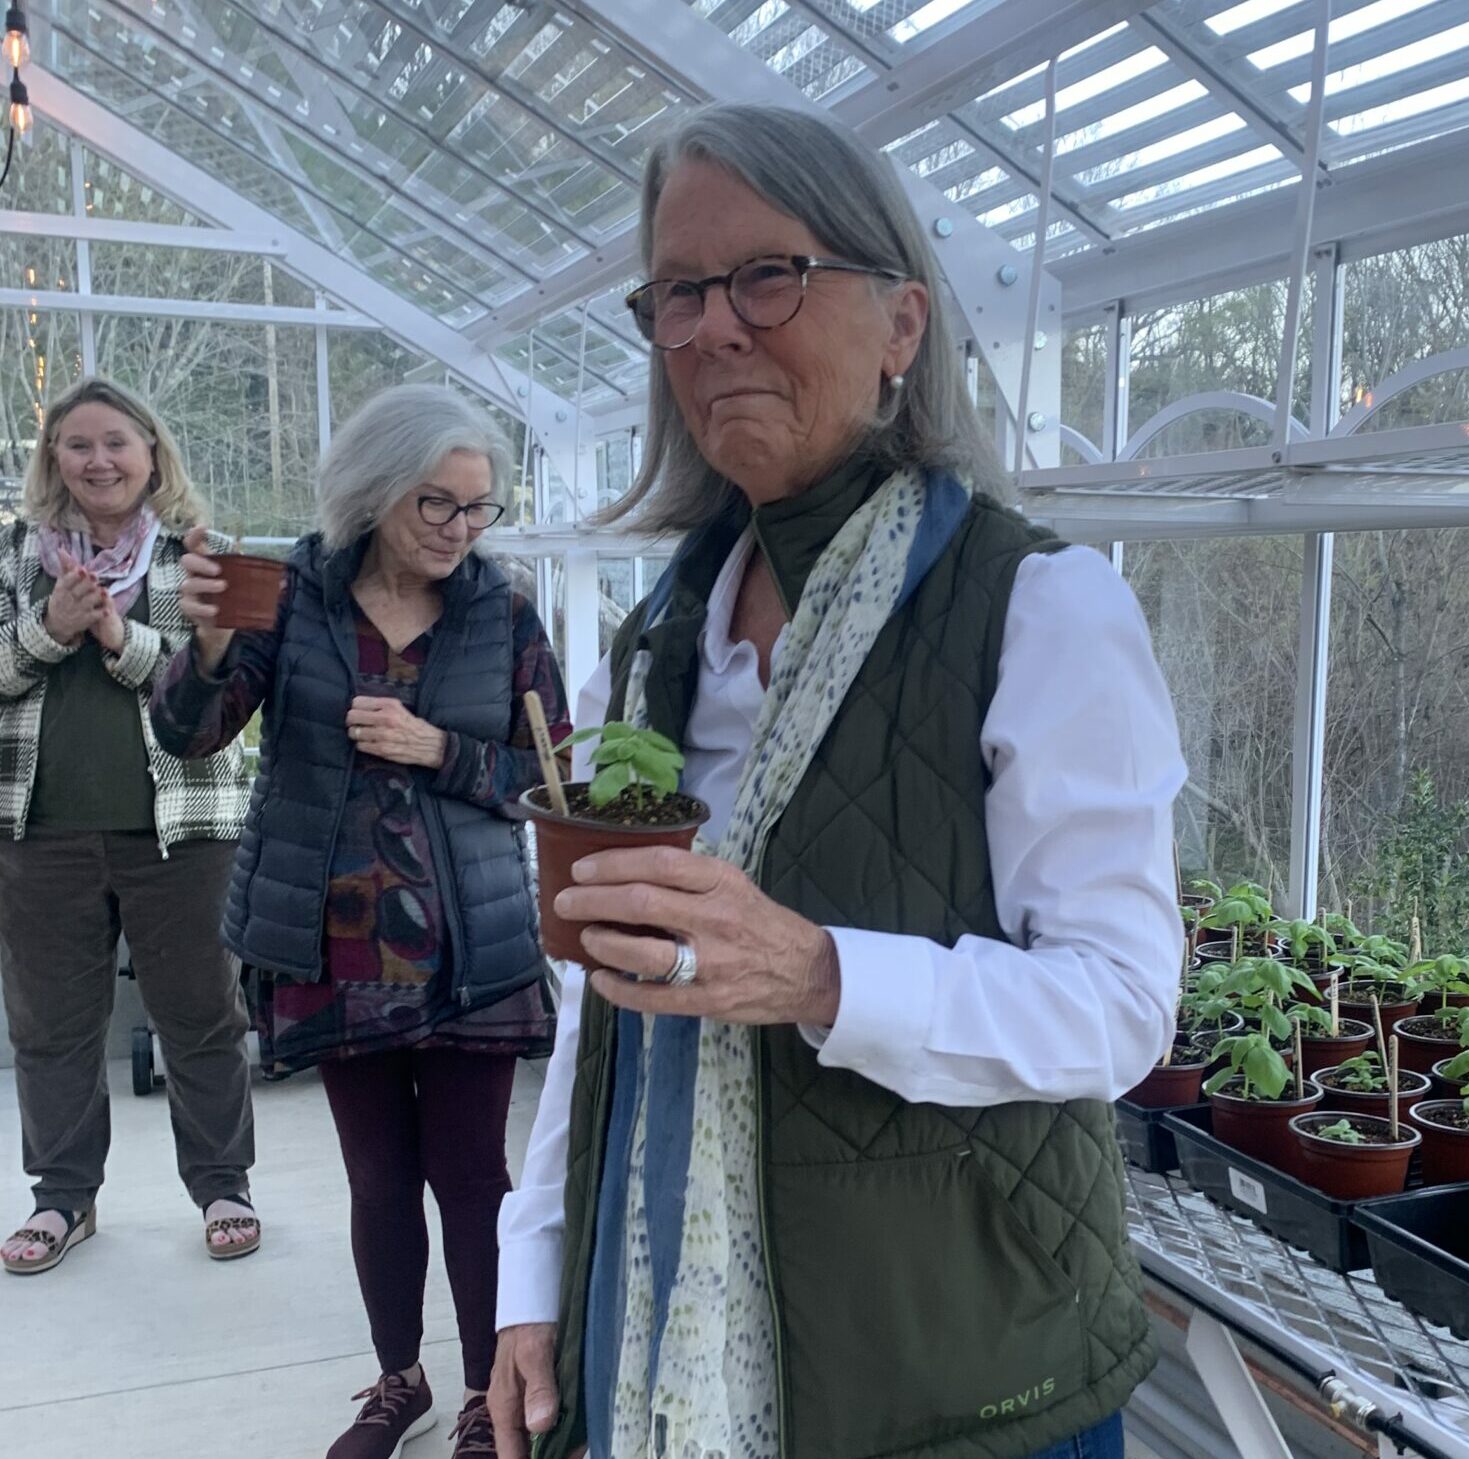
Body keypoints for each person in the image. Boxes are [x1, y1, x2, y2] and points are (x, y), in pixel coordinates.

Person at [488, 104, 1186, 1459]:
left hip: (960, 1376)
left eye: (769, 275)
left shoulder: (1038, 607)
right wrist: (537, 1270)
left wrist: (817, 974)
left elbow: (1118, 1005)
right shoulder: (658, 642)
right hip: (652, 1338)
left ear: (902, 324)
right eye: (679, 292)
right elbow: (602, 997)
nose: (713, 329)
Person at [150, 384, 568, 1459]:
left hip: (470, 946)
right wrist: (205, 646)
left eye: (479, 507)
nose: (462, 528)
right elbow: (192, 734)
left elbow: (552, 774)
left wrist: (440, 750)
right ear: (375, 490)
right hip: (333, 944)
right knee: (379, 1176)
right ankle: (399, 1381)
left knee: (472, 1178)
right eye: (439, 503)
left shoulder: (503, 612)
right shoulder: (290, 597)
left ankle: (484, 1393)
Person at [0, 377, 257, 1277]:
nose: (98, 460)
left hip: (186, 832)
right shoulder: (12, 555)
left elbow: (229, 693)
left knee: (202, 1014)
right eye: (77, 444)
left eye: (116, 442)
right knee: (51, 1025)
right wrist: (47, 627)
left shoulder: (204, 557)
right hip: (37, 833)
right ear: (53, 458)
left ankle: (223, 1186)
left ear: (152, 453)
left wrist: (119, 638)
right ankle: (62, 1197)